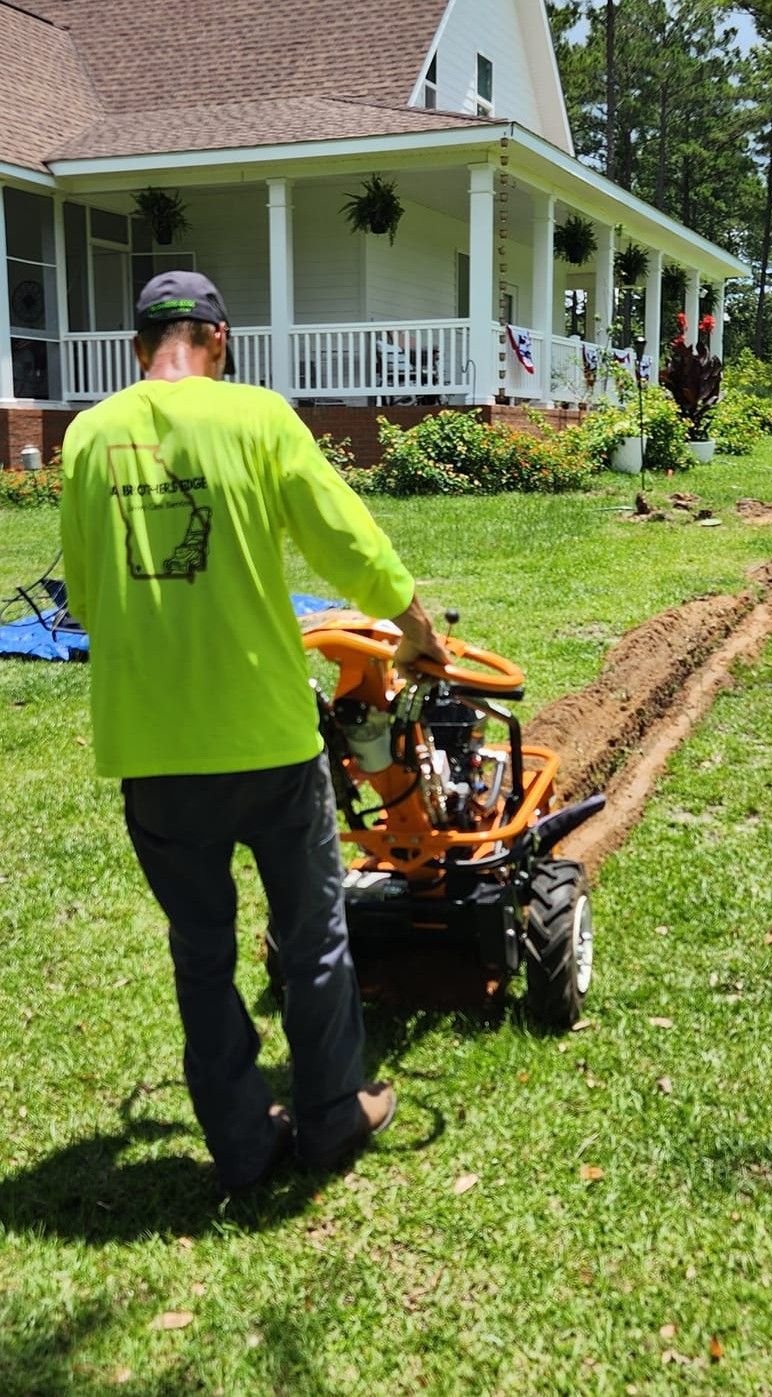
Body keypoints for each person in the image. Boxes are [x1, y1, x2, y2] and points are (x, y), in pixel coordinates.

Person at [60, 270, 449, 1193]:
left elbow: (81, 598)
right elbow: (344, 541)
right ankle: (330, 1119)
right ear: (219, 341)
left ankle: (239, 1143)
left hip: (151, 749)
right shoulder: (260, 418)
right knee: (311, 934)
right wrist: (416, 624)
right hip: (267, 741)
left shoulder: (83, 437)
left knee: (201, 952)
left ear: (136, 348)